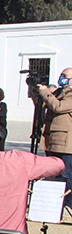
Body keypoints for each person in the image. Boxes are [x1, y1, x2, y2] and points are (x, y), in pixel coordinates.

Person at [37, 67, 72, 209]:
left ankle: (69, 202)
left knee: (67, 175)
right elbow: (47, 105)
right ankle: (54, 204)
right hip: (52, 141)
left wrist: (46, 92)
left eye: (65, 75)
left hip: (65, 143)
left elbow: (58, 107)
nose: (61, 77)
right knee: (53, 173)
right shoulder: (59, 92)